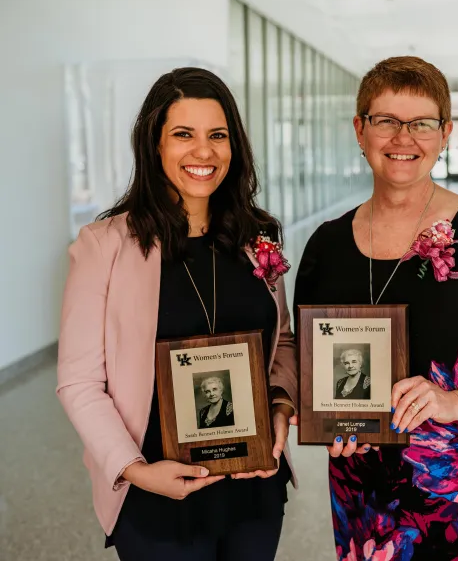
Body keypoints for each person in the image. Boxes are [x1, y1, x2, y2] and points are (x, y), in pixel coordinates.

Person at [294, 56, 458, 561]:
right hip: (364, 489)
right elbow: (315, 360)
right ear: (359, 129)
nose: (404, 139)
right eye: (386, 122)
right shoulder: (325, 247)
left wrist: (453, 401)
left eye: (420, 123)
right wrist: (319, 416)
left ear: (444, 134)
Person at [57, 67, 297, 561]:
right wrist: (134, 470)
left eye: (217, 135)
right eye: (183, 134)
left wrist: (281, 406)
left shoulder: (259, 235)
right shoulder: (104, 247)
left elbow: (284, 342)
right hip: (158, 489)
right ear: (154, 145)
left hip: (251, 485)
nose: (203, 152)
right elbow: (79, 381)